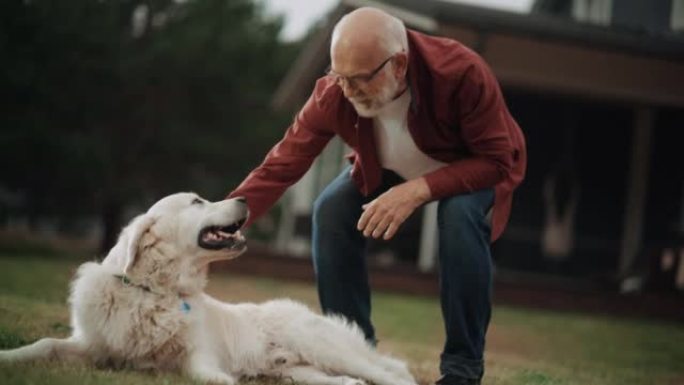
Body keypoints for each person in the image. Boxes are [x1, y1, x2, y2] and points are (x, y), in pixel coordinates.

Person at [228, 7, 526, 385]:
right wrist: (225, 222)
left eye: (360, 80)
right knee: (331, 212)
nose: (348, 91)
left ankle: (462, 370)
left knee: (459, 219)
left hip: (472, 165)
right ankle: (354, 356)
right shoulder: (334, 93)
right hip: (391, 170)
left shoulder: (462, 72)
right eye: (340, 77)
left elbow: (497, 160)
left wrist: (418, 190)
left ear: (399, 65)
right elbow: (282, 164)